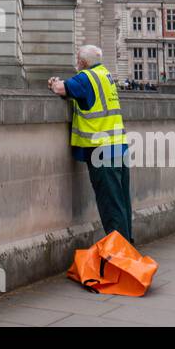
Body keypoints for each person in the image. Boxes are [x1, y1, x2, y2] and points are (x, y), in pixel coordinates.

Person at [48, 45, 133, 241]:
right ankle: (127, 248)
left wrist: (54, 82)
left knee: (110, 204)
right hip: (119, 145)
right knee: (122, 201)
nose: (76, 64)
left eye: (78, 60)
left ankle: (119, 256)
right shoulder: (106, 75)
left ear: (83, 62)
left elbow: (61, 88)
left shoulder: (86, 77)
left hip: (101, 151)